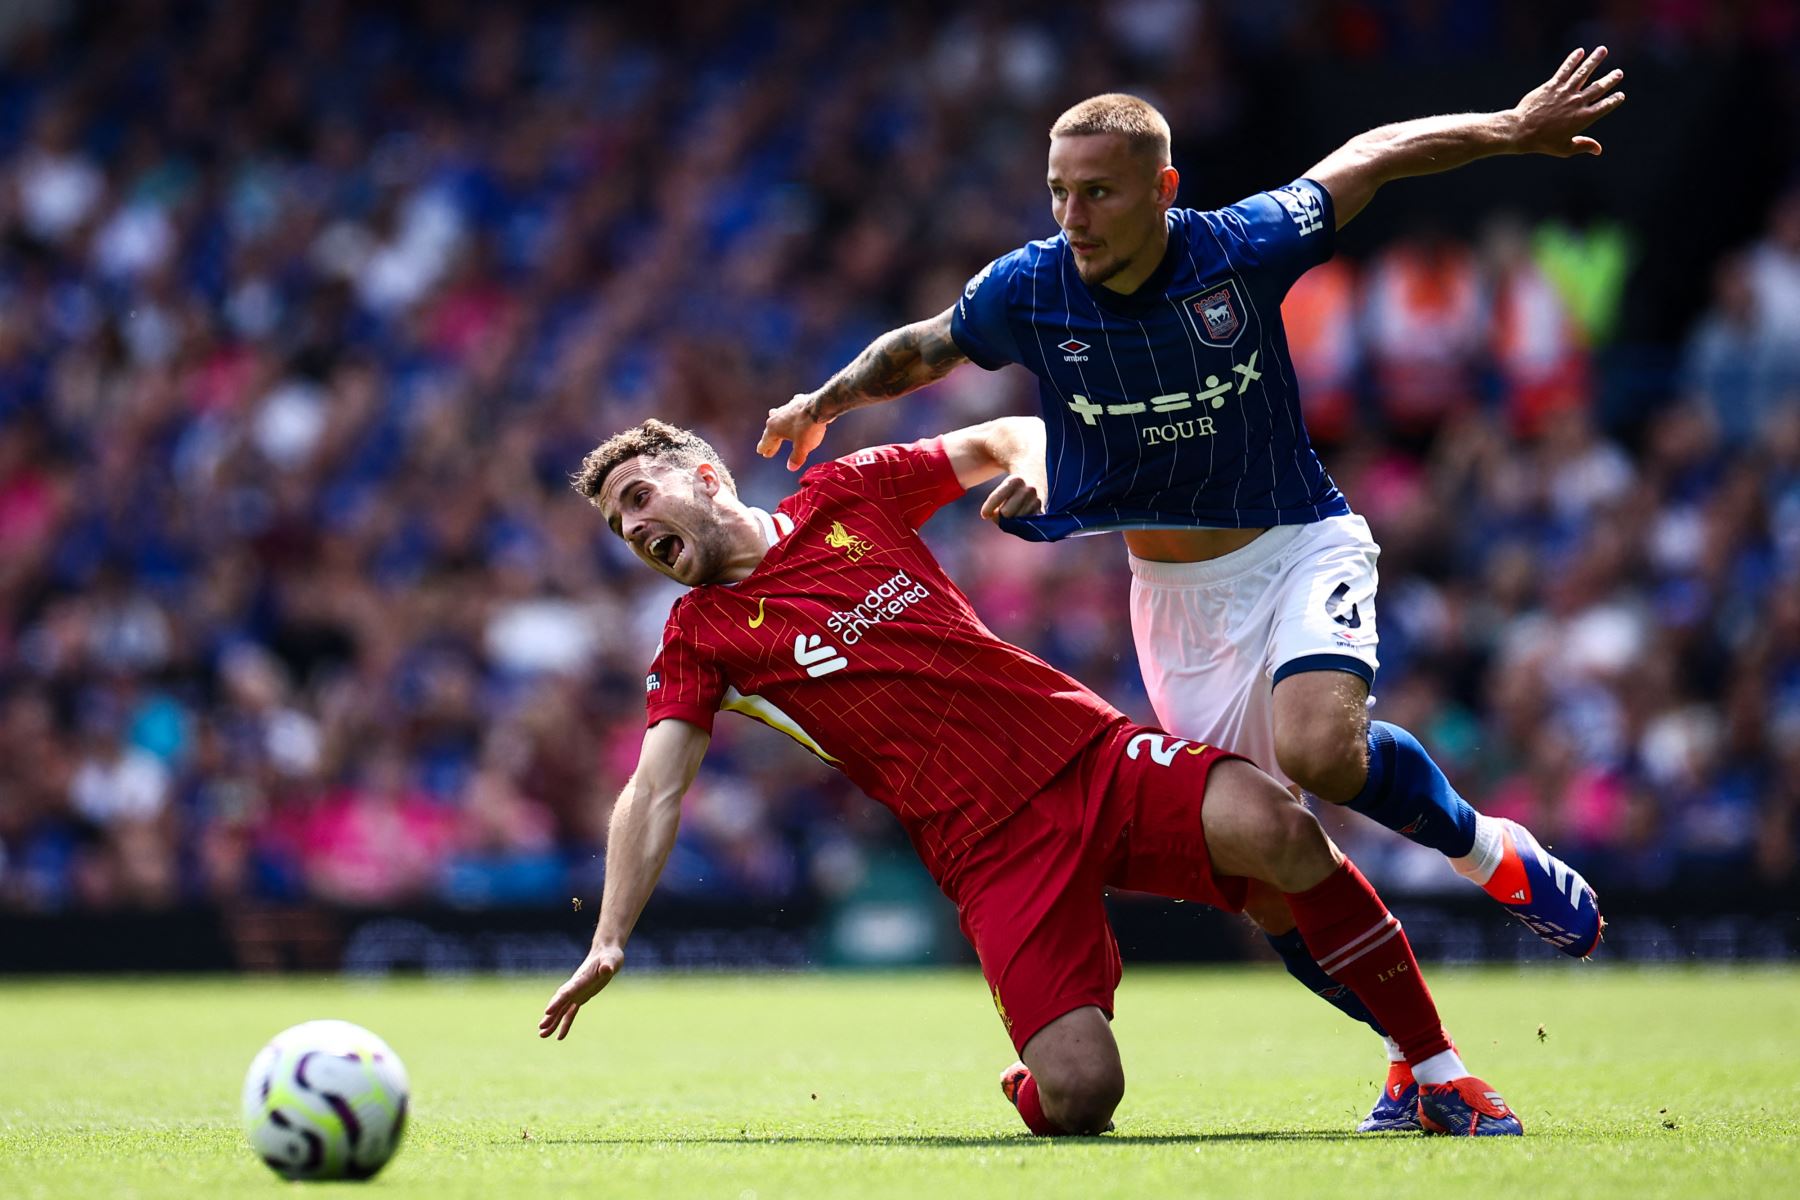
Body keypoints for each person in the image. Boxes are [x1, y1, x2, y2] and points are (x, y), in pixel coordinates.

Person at [758, 48, 1622, 1130]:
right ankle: (1421, 1069)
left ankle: (1490, 851)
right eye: (1059, 192)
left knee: (1318, 751)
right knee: (1270, 871)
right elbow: (921, 348)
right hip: (1174, 607)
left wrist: (1509, 126)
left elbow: (1370, 156)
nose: (1074, 215)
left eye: (1100, 191)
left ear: (1163, 190)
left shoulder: (1240, 248)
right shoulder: (1029, 287)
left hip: (1298, 543)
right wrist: (823, 399)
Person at [539, 416, 1523, 1138]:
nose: (635, 532)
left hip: (1085, 754)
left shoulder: (847, 495)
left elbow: (1009, 435)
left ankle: (1437, 1073)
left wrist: (1044, 474)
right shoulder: (700, 638)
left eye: (638, 499)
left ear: (705, 474)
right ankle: (1035, 1078)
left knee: (1281, 828)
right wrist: (613, 937)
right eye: (623, 532)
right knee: (1084, 1097)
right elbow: (654, 788)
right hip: (987, 852)